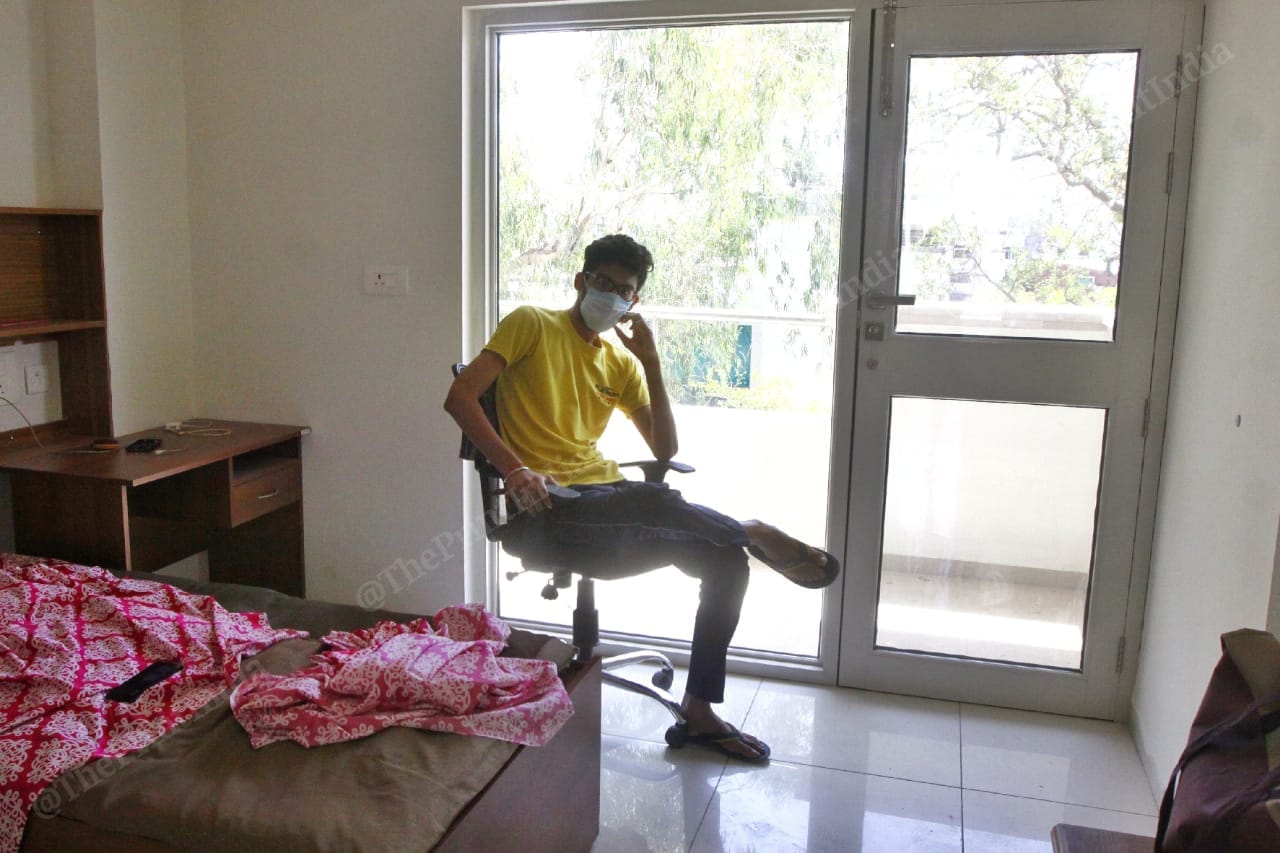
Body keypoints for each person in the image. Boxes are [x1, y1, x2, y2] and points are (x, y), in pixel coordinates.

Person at [444, 234, 839, 763]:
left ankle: (699, 712)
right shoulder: (531, 323)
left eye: (624, 291)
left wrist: (651, 362)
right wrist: (514, 468)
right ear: (581, 281)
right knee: (656, 501)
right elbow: (460, 396)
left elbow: (665, 447)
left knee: (724, 561)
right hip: (544, 509)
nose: (611, 296)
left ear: (634, 304)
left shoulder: (619, 364)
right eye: (603, 284)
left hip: (609, 504)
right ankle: (752, 530)